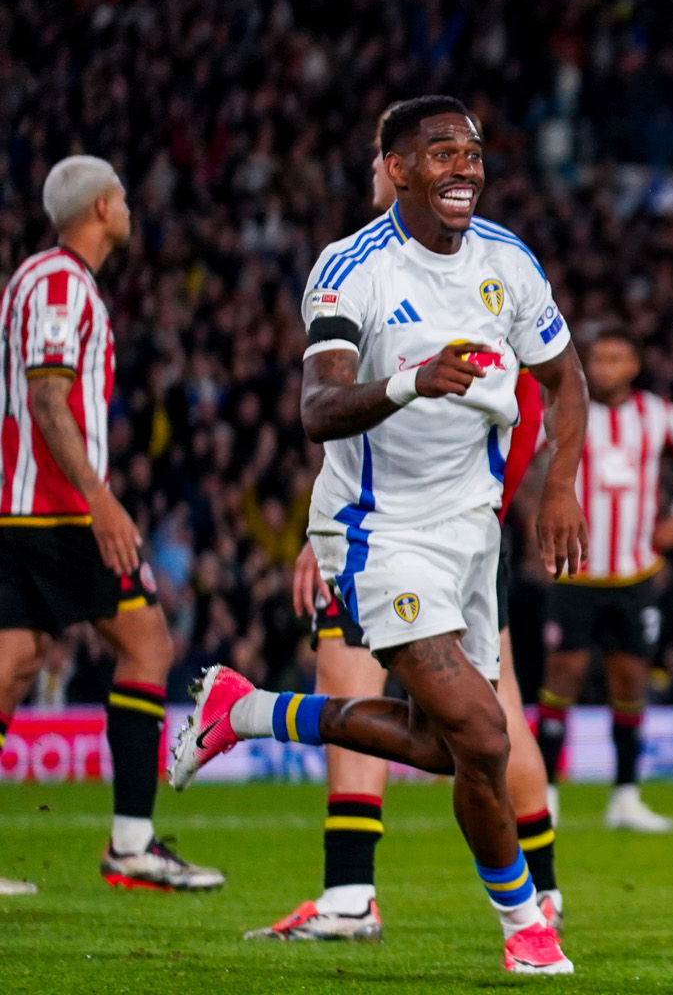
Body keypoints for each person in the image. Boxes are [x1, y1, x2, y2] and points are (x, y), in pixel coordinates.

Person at [167, 95, 589, 975]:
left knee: (455, 746)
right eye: (441, 153)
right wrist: (410, 383)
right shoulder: (350, 268)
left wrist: (559, 485)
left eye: (473, 152)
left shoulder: (508, 261)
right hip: (378, 532)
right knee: (483, 737)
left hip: (473, 535)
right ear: (396, 169)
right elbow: (316, 407)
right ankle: (525, 927)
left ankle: (246, 711)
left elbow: (567, 378)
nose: (464, 168)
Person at [0, 155, 224, 891]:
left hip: (34, 506)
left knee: (16, 661)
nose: (129, 208)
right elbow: (47, 399)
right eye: (122, 197)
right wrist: (101, 501)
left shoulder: (47, 280)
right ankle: (130, 844)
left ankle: (132, 844)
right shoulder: (59, 283)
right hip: (57, 511)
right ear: (100, 207)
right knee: (146, 642)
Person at [534, 328, 673, 832]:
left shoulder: (660, 415)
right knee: (562, 677)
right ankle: (545, 794)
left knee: (630, 682)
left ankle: (626, 797)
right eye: (598, 358)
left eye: (616, 357)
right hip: (576, 571)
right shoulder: (567, 411)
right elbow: (525, 464)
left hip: (635, 573)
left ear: (634, 366)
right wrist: (534, 523)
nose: (605, 366)